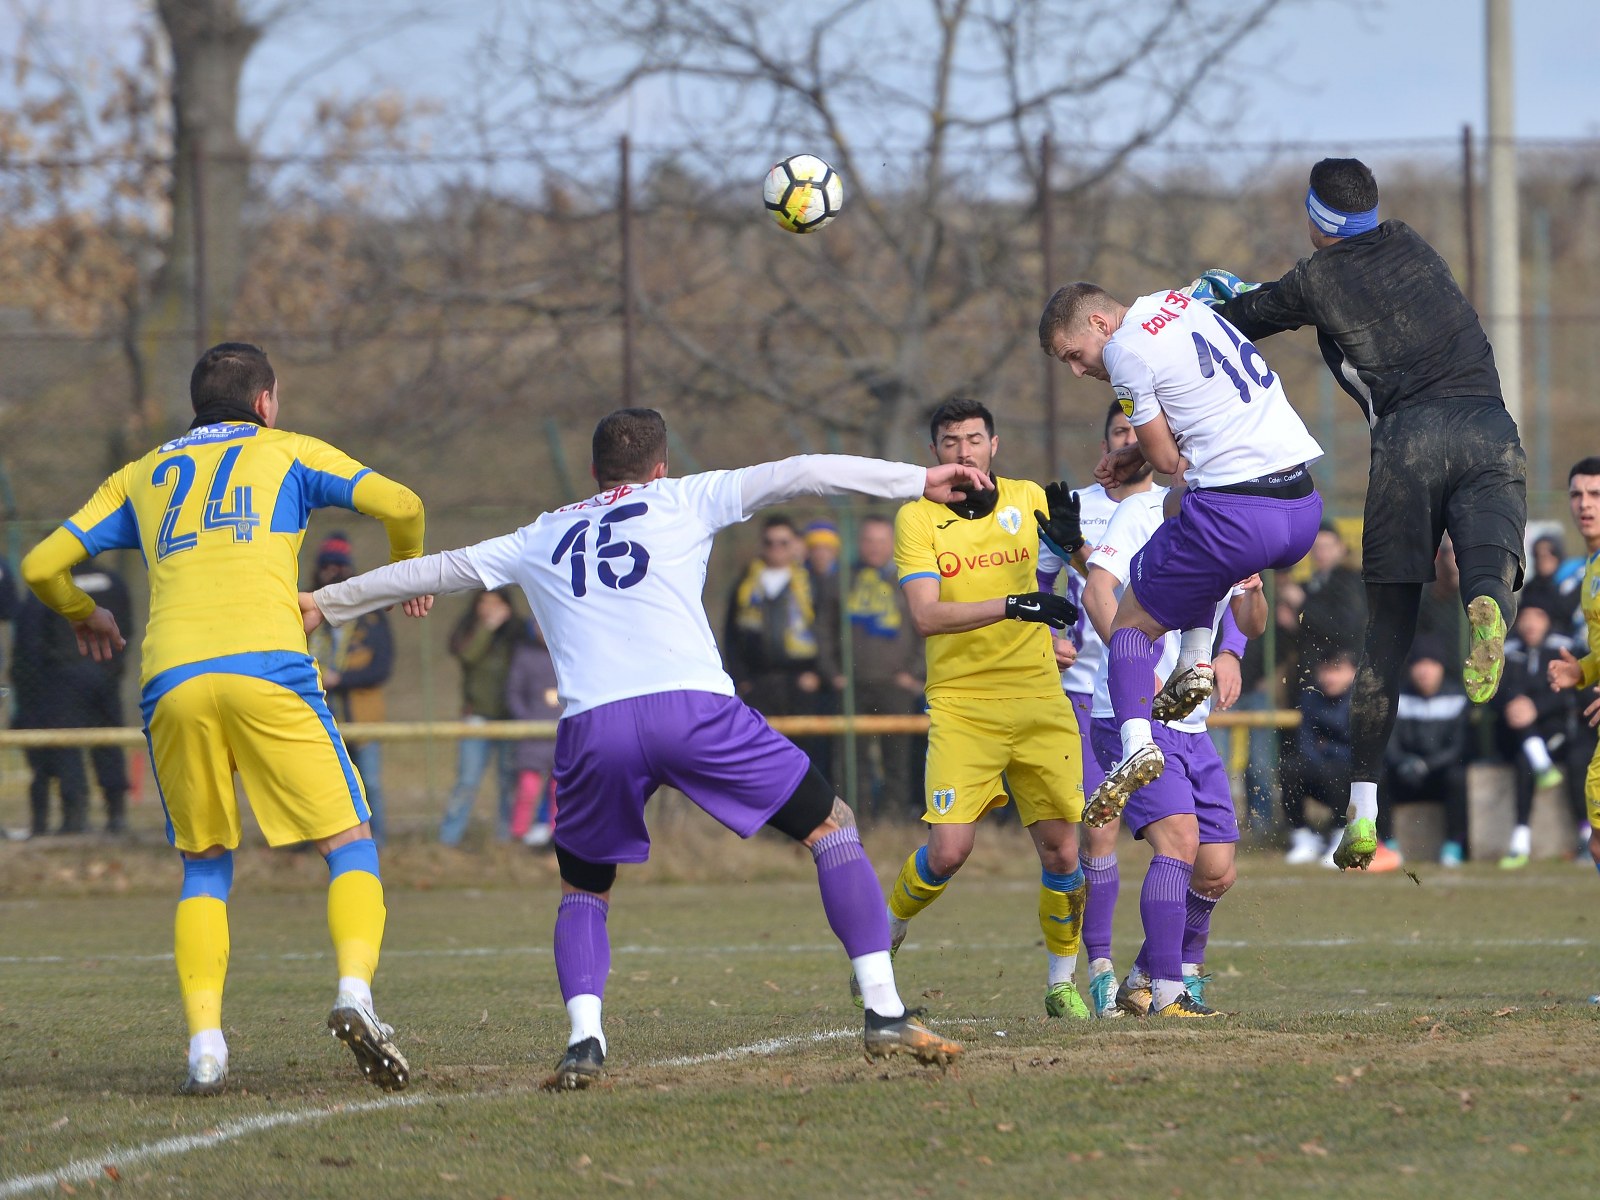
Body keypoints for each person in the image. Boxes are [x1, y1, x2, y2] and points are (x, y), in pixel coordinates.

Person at [305, 408, 980, 1087]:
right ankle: (884, 1009)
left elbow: (441, 569)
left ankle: (584, 1040)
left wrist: (325, 602)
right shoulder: (687, 496)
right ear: (662, 467)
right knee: (832, 825)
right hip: (693, 711)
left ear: (594, 472)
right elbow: (802, 473)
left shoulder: (542, 532)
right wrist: (916, 479)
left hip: (594, 729)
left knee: (585, 888)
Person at [20, 341, 423, 1097]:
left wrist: (85, 613)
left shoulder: (139, 475)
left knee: (205, 864)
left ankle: (206, 1045)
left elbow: (42, 565)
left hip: (171, 678)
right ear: (266, 402)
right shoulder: (289, 452)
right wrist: (399, 579)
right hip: (267, 666)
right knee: (348, 840)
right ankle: (354, 994)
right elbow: (403, 505)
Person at [1200, 156, 1528, 871]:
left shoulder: (1317, 278)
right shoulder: (1414, 244)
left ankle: (1364, 813)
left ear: (1318, 218)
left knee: (1386, 634)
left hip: (1411, 440)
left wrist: (1199, 308)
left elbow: (1246, 320)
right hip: (1489, 426)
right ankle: (1486, 602)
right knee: (1488, 556)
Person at [1039, 281, 1323, 832]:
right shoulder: (1176, 302)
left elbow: (1167, 457)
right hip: (1300, 506)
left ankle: (1136, 745)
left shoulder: (1122, 350)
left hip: (1236, 513)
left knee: (1127, 628)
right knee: (1176, 511)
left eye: (1074, 355)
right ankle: (1196, 657)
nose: (1078, 371)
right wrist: (1132, 454)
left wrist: (1141, 452)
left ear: (1099, 324)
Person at [879, 397, 1090, 1019]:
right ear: (935, 453)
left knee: (1062, 852)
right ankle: (886, 928)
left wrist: (1075, 546)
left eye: (974, 439)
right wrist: (1016, 607)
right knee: (948, 851)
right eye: (950, 442)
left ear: (993, 446)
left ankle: (1060, 982)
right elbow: (925, 616)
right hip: (963, 705)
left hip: (1038, 698)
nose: (964, 450)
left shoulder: (1030, 498)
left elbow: (1088, 572)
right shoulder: (917, 519)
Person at [1080, 484, 1265, 1018]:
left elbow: (1252, 621)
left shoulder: (1233, 517)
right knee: (1179, 842)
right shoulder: (1141, 511)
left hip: (1192, 726)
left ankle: (1141, 978)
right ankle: (1169, 991)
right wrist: (1134, 660)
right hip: (1131, 715)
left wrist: (1249, 592)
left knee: (1216, 869)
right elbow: (1097, 591)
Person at [1037, 400, 1153, 1017]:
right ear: (1106, 443)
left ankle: (1164, 968)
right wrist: (1049, 633)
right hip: (1083, 696)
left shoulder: (1177, 509)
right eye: (1118, 431)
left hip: (1156, 692)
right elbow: (1043, 586)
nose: (1128, 440)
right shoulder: (1073, 508)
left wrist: (1230, 651)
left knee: (1187, 843)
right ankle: (1101, 969)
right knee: (1099, 827)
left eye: (1139, 430)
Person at [831, 514, 925, 821]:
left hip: (896, 686)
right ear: (859, 544)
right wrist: (833, 672)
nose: (874, 547)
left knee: (897, 759)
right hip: (851, 686)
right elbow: (823, 628)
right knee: (850, 760)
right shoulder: (842, 580)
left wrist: (913, 673)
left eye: (881, 541)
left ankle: (894, 822)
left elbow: (925, 627)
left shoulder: (910, 580)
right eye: (868, 540)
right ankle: (853, 821)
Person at [307, 533, 394, 844]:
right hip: (318, 715)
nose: (333, 572)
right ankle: (322, 844)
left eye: (339, 566)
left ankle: (377, 842)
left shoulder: (369, 615)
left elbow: (381, 666)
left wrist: (340, 680)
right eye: (327, 566)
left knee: (369, 781)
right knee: (321, 784)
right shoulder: (306, 613)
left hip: (362, 714)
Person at [1493, 599, 1585, 868]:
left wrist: (1536, 707)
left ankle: (1586, 835)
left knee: (1579, 762)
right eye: (1526, 617)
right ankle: (1520, 842)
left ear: (1548, 620)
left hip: (1559, 734)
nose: (1531, 623)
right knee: (1525, 761)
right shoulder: (1508, 652)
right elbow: (1499, 691)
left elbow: (1571, 691)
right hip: (1517, 736)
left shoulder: (1562, 649)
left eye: (1538, 616)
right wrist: (1512, 705)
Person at [1547, 460, 1600, 910]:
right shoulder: (1590, 568)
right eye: (1578, 494)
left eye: (1596, 495)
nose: (1585, 504)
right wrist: (1583, 670)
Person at [437, 587, 525, 846]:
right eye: (484, 602)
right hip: (476, 715)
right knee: (467, 781)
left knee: (508, 781)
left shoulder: (518, 633)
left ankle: (504, 841)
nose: (489, 607)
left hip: (511, 717)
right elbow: (468, 656)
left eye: (496, 602)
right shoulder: (470, 631)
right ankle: (448, 841)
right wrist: (487, 628)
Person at [725, 516, 823, 719]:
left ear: (795, 544)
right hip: (757, 683)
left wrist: (818, 674)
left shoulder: (811, 584)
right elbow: (731, 634)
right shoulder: (746, 584)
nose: (776, 548)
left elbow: (827, 630)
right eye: (769, 542)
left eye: (783, 542)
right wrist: (741, 679)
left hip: (800, 682)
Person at [1384, 638, 1470, 868]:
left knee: (1457, 779)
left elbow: (1457, 748)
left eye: (1431, 664)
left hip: (1437, 775)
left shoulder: (1457, 697)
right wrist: (1404, 762)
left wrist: (1426, 765)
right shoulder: (1398, 696)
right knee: (1379, 776)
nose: (1424, 671)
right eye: (1419, 664)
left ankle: (1454, 845)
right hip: (1405, 774)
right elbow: (1389, 743)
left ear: (1441, 667)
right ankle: (1386, 845)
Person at [506, 616, 562, 847]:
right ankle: (519, 834)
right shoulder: (524, 657)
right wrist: (526, 718)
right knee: (527, 789)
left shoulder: (566, 653)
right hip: (533, 736)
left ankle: (557, 836)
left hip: (563, 732)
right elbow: (514, 692)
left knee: (561, 791)